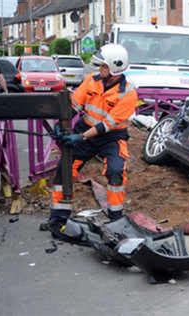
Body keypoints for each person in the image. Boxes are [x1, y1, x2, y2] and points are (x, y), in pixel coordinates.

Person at [48, 44, 138, 237]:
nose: (99, 69)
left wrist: (79, 137)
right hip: (85, 129)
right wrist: (60, 123)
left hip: (111, 138)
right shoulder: (91, 80)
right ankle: (58, 219)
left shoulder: (129, 94)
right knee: (64, 171)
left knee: (116, 172)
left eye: (103, 66)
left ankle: (116, 222)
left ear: (114, 69)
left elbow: (106, 125)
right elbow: (74, 105)